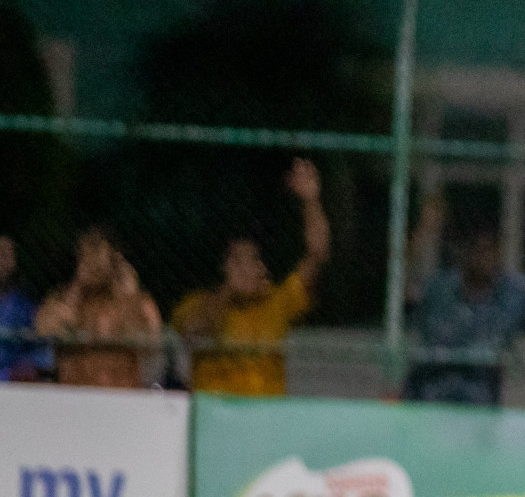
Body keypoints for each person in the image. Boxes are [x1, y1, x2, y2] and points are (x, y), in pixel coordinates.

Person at [404, 191, 525, 405]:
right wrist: (424, 230)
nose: (483, 256)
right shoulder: (441, 288)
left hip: (479, 414)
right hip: (428, 405)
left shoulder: (513, 294)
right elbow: (398, 286)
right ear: (463, 252)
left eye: (490, 248)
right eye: (476, 248)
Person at [172, 158, 330, 396]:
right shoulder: (197, 303)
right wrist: (229, 292)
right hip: (217, 417)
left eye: (255, 260)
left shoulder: (277, 302)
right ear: (223, 267)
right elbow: (195, 330)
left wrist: (311, 200)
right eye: (239, 261)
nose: (251, 268)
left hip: (266, 419)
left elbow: (317, 255)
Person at [34, 227, 162, 389]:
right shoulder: (63, 298)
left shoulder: (138, 302)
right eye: (87, 256)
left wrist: (129, 297)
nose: (93, 263)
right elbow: (44, 331)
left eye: (98, 254)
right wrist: (77, 289)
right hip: (75, 394)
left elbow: (151, 345)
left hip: (122, 394)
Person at [0, 234, 50, 382]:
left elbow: (43, 355)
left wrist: (27, 366)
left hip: (13, 387)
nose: (2, 261)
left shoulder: (27, 306)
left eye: (6, 255)